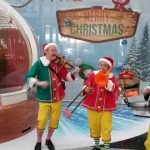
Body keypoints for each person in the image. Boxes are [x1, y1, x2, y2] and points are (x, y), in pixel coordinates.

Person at [24, 43, 80, 150]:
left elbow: (66, 77)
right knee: (41, 121)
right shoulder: (39, 64)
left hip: (57, 98)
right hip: (44, 98)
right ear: (46, 51)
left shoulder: (59, 64)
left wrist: (73, 72)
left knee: (54, 120)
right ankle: (39, 141)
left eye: (55, 50)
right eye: (52, 50)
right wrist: (38, 83)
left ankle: (48, 139)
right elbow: (28, 77)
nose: (54, 53)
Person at [81, 56, 118, 150]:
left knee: (106, 127)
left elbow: (114, 88)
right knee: (94, 125)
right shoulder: (93, 75)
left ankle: (106, 147)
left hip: (106, 107)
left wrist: (107, 80)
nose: (102, 67)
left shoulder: (112, 77)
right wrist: (86, 89)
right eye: (101, 65)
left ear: (109, 68)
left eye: (105, 66)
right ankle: (97, 146)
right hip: (92, 105)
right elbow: (86, 85)